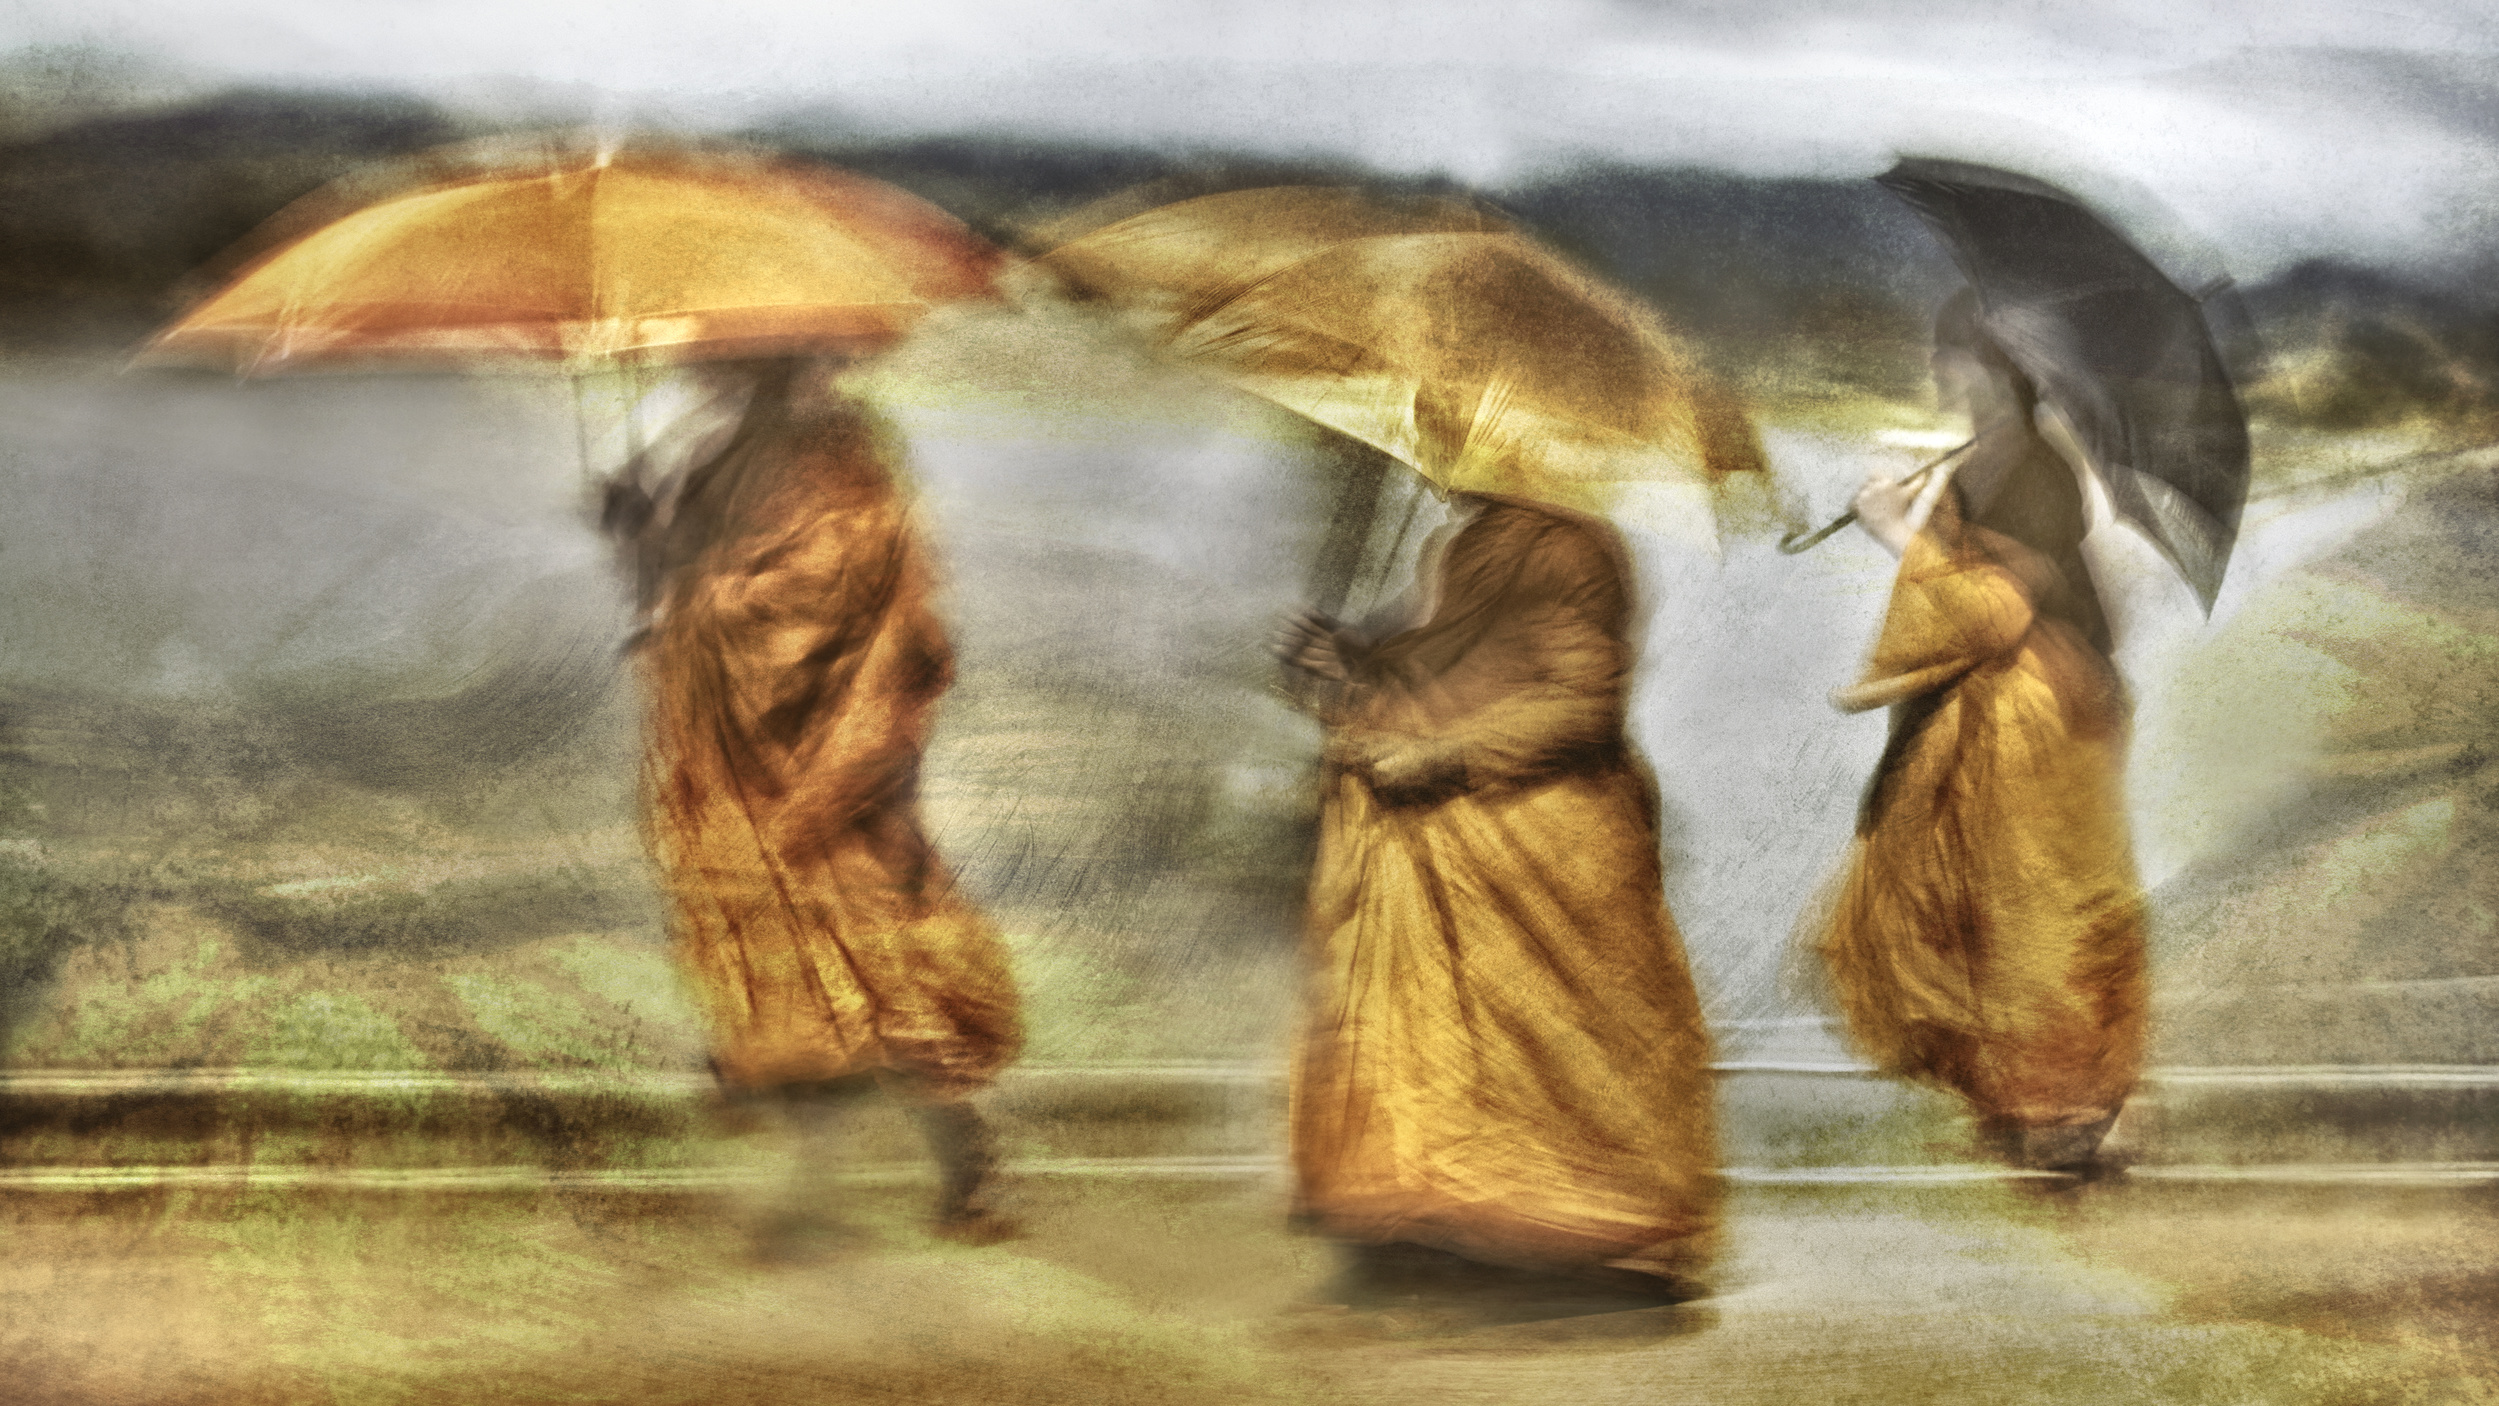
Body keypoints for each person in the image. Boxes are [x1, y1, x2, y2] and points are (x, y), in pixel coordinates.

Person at [601, 356, 1023, 1241]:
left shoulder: (842, 458)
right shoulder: (717, 460)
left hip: (832, 758)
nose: (715, 378)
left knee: (881, 964)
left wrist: (702, 599)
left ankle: (966, 1172)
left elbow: (829, 598)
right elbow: (681, 594)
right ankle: (814, 1194)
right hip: (740, 767)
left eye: (735, 364)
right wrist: (637, 533)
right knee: (786, 972)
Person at [1273, 487, 1719, 1301]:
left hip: (1542, 836)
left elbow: (1581, 704)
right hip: (1443, 838)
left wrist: (1446, 756)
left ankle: (1584, 1225)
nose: (1432, 460)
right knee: (1440, 1044)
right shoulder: (1464, 545)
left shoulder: (1570, 548)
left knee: (1556, 1045)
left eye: (1447, 428)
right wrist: (1348, 660)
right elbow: (1446, 669)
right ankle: (1463, 1222)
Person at [1817, 291, 2147, 1172]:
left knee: (2032, 909)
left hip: (2027, 716)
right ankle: (2020, 1099)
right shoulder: (1985, 459)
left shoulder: (2033, 469)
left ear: (1996, 365)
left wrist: (1895, 532)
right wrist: (1913, 519)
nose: (1938, 368)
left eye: (1951, 353)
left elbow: (1994, 611)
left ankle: (2060, 1105)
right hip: (1994, 709)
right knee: (1973, 905)